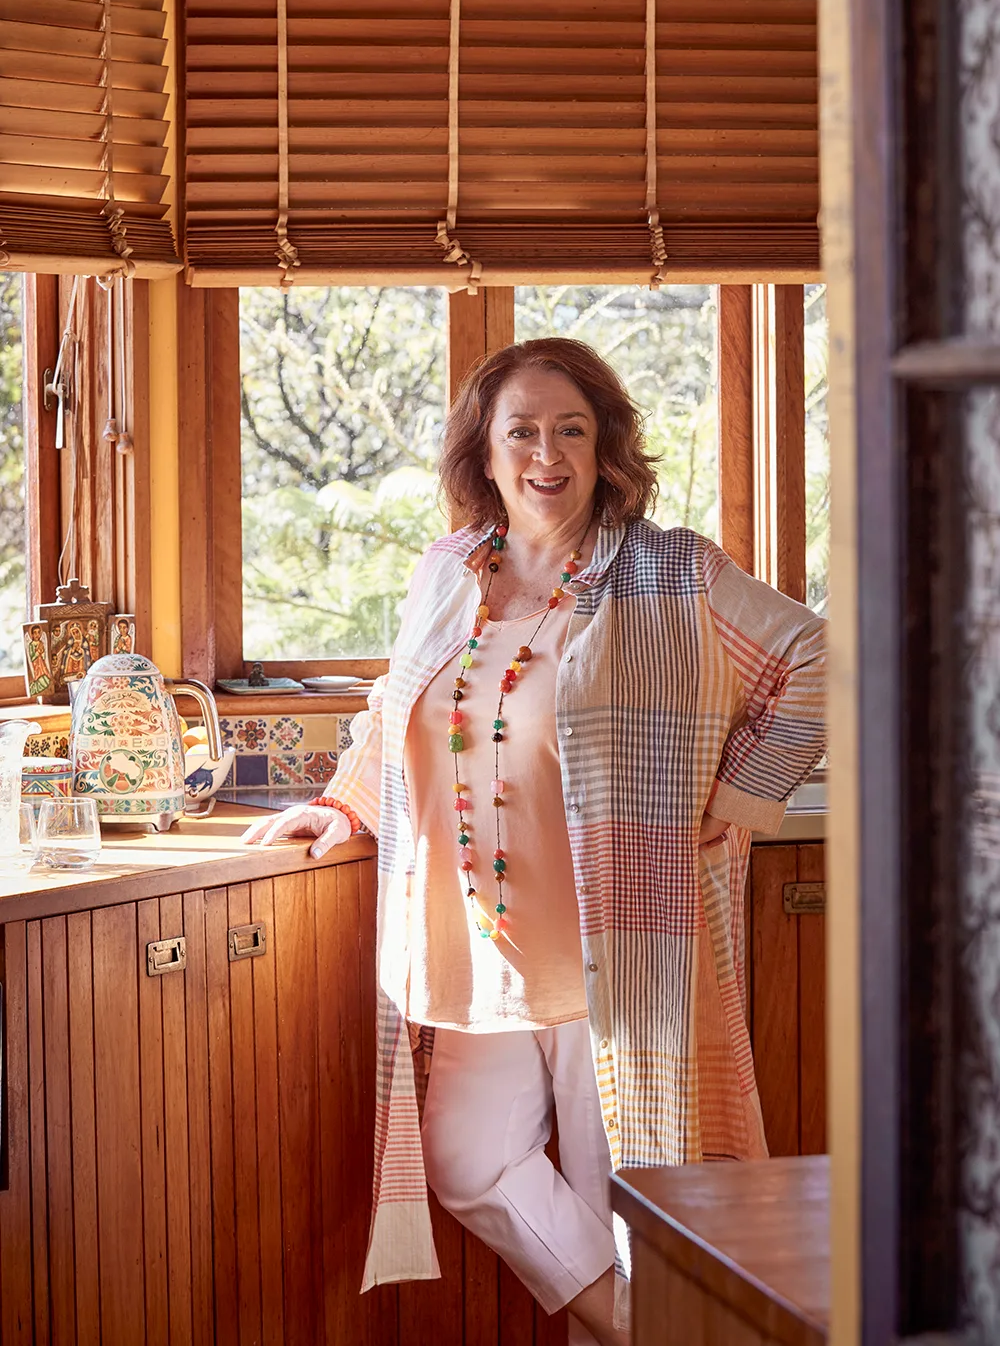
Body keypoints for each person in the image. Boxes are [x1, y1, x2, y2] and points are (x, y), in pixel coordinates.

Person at [242, 337, 827, 1345]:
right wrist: (342, 808)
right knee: (466, 1158)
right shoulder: (448, 570)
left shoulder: (672, 572)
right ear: (484, 448)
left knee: (633, 1194)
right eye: (521, 430)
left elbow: (817, 655)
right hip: (484, 952)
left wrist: (740, 797)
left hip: (621, 944)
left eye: (571, 428)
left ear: (605, 448)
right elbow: (396, 707)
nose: (544, 453)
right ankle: (662, 1330)